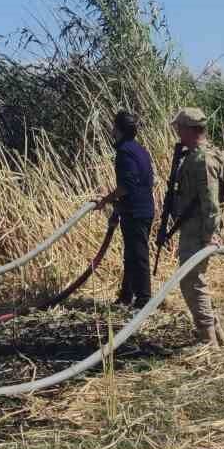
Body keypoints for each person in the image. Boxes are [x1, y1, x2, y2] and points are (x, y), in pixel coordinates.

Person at [169, 107, 224, 345]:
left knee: (191, 281)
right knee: (194, 280)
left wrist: (210, 234)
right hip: (194, 225)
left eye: (179, 128)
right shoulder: (197, 154)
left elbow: (211, 201)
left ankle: (208, 339)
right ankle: (216, 336)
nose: (177, 132)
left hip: (198, 228)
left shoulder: (202, 159)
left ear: (190, 130)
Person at [95, 110, 156, 308]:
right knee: (131, 254)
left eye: (114, 125)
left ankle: (144, 299)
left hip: (136, 211)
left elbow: (127, 186)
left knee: (137, 255)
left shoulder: (124, 153)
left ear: (118, 129)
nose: (112, 129)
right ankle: (126, 295)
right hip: (142, 207)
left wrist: (105, 200)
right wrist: (117, 211)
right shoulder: (140, 150)